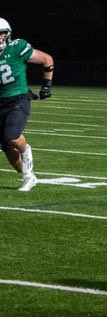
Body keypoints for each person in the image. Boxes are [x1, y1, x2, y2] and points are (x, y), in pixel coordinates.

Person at [0, 18, 54, 191]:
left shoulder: (17, 48)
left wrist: (47, 86)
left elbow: (47, 59)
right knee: (7, 147)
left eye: (0, 35)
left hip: (18, 99)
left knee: (12, 137)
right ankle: (26, 174)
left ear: (7, 36)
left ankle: (29, 175)